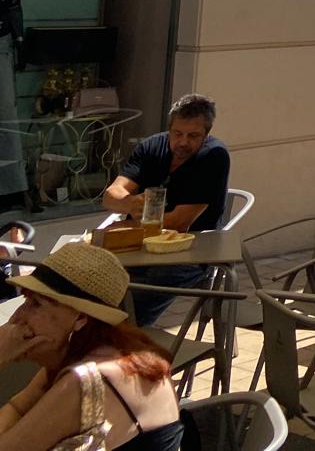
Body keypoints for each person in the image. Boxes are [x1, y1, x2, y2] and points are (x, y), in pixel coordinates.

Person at [0, 242, 183, 448]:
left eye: (36, 304)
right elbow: (17, 408)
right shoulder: (95, 350)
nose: (17, 317)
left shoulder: (86, 380)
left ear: (80, 318)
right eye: (25, 300)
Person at [102, 94, 230, 326]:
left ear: (207, 134)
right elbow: (111, 196)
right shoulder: (152, 146)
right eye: (177, 133)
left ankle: (126, 340)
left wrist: (127, 224)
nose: (183, 142)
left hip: (189, 252)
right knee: (83, 275)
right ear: (169, 129)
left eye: (193, 136)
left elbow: (178, 223)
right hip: (136, 246)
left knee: (128, 305)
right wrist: (130, 203)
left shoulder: (213, 156)